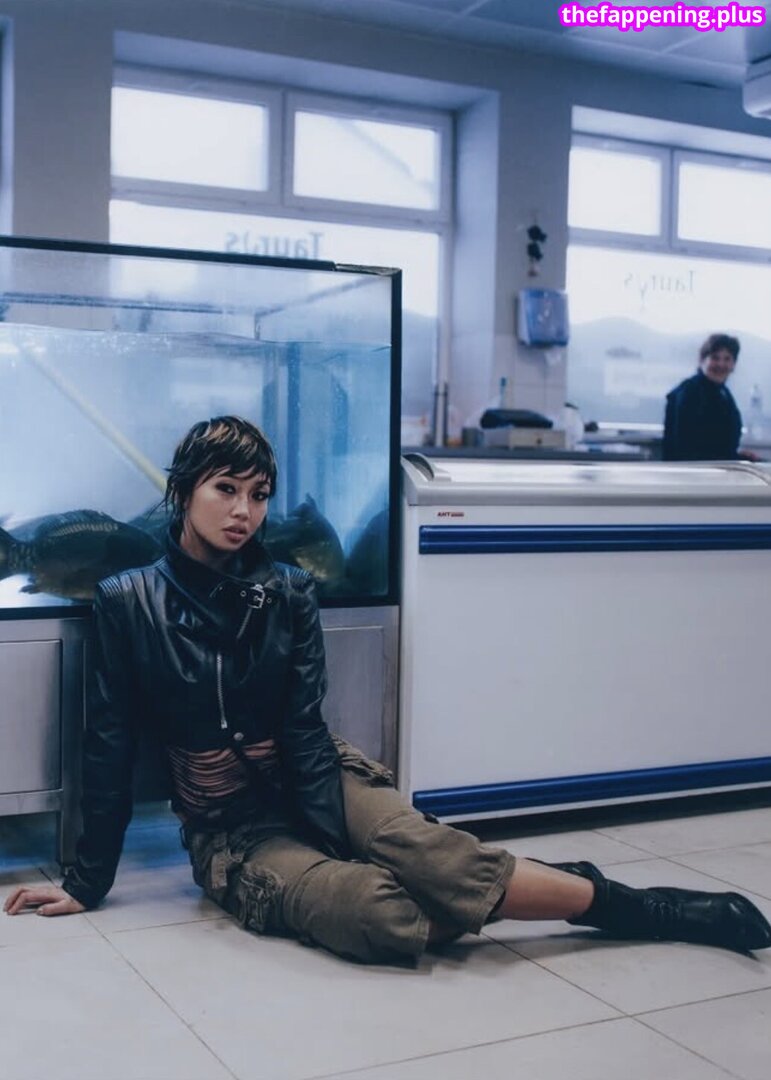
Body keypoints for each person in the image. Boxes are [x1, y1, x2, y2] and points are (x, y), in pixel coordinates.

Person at [5, 416, 771, 961]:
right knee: (378, 914)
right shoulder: (128, 600)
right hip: (230, 828)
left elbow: (304, 728)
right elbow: (107, 744)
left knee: (433, 857)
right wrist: (86, 883)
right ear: (182, 491)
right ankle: (525, 888)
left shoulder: (287, 592)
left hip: (318, 778)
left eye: (259, 494)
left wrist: (329, 829)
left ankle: (642, 908)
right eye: (225, 488)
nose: (244, 511)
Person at [662, 333, 745, 461]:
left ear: (734, 364)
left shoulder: (723, 393)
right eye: (715, 358)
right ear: (702, 361)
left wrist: (739, 457)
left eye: (727, 359)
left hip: (714, 469)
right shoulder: (689, 393)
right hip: (695, 471)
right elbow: (687, 448)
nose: (721, 364)